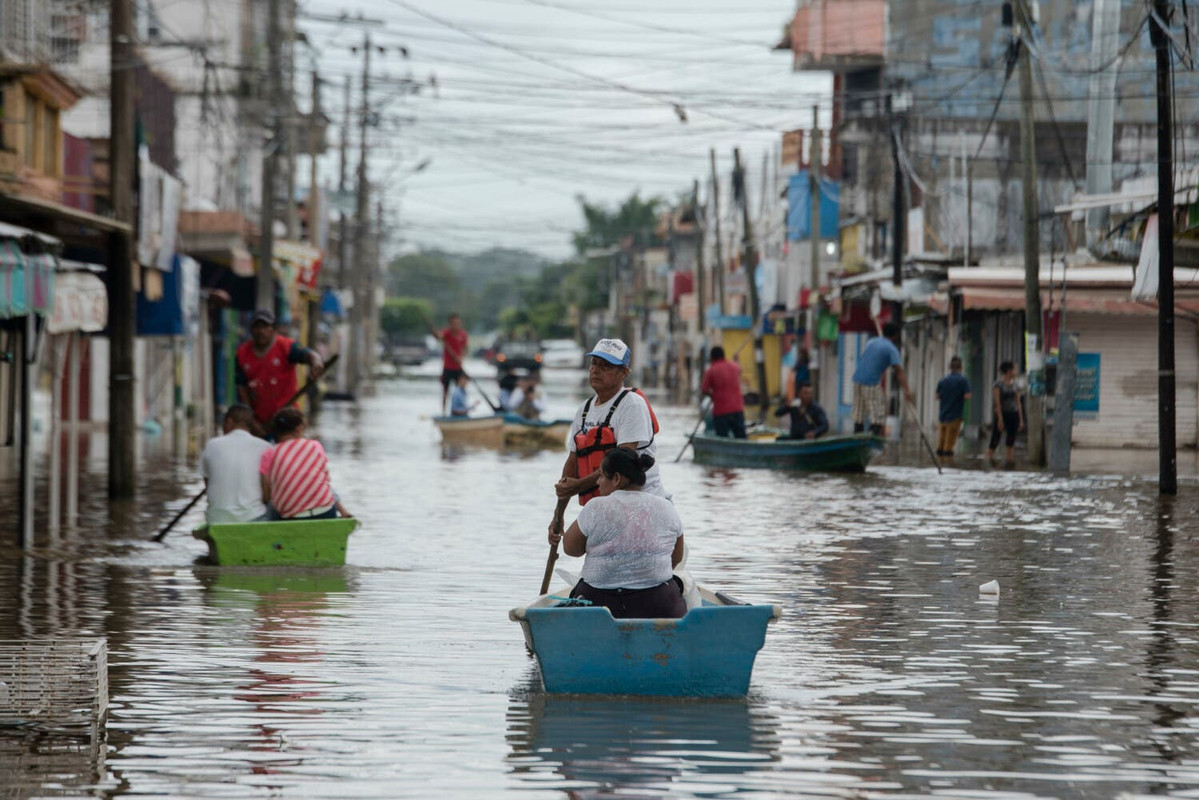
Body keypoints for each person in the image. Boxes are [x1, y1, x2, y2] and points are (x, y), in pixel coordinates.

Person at [549, 338, 665, 542]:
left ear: (624, 373)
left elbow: (622, 465)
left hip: (641, 503)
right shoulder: (584, 410)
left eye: (606, 366)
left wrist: (578, 486)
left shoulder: (632, 406)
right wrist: (558, 515)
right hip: (605, 504)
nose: (596, 370)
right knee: (570, 544)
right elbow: (572, 464)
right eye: (594, 363)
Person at [548, 448, 686, 619]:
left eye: (601, 476)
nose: (598, 482)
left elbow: (571, 549)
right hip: (656, 604)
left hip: (597, 602)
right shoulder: (667, 507)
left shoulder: (595, 506)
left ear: (616, 479)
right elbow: (676, 558)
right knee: (676, 585)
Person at [235, 308, 325, 433]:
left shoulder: (286, 347)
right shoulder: (242, 354)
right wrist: (253, 423)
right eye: (257, 327)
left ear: (273, 329)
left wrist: (316, 362)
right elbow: (242, 390)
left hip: (288, 419)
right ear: (251, 329)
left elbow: (308, 355)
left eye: (265, 327)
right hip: (260, 423)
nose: (261, 331)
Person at [259, 408, 351, 520]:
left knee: (271, 506)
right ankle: (343, 512)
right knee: (322, 485)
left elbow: (266, 495)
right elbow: (326, 479)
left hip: (290, 516)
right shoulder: (315, 446)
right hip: (325, 512)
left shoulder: (269, 453)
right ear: (299, 428)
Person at [200, 404, 273, 523]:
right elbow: (267, 495)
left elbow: (208, 485)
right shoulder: (266, 447)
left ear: (229, 422)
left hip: (217, 518)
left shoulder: (211, 445)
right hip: (252, 517)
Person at [851, 322, 914, 436]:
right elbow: (899, 372)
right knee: (877, 415)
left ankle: (857, 437)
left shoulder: (871, 342)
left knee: (859, 414)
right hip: (870, 382)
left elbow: (870, 360)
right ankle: (871, 441)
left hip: (857, 380)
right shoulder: (891, 349)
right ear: (895, 335)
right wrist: (907, 391)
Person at [699, 345, 746, 439]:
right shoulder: (734, 367)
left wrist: (712, 396)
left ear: (712, 358)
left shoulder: (711, 370)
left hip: (721, 411)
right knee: (741, 438)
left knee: (722, 437)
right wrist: (736, 360)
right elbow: (739, 369)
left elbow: (704, 389)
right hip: (737, 410)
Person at [986, 361, 1024, 464]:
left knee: (1011, 441)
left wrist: (1021, 420)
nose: (1016, 372)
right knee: (995, 439)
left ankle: (1009, 462)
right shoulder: (998, 384)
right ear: (1008, 371)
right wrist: (1000, 419)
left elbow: (1018, 403)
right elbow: (997, 403)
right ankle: (989, 460)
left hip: (1014, 414)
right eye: (1014, 369)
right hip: (1002, 414)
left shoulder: (1015, 385)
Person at [935, 356, 972, 457]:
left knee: (940, 447)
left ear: (950, 367)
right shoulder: (963, 380)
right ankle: (947, 468)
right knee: (948, 449)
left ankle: (939, 465)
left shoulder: (942, 381)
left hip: (942, 417)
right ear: (961, 367)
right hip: (955, 417)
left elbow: (936, 396)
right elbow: (967, 396)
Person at [432, 313, 468, 414]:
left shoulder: (463, 334)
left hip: (458, 367)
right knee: (445, 391)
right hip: (447, 367)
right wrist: (434, 332)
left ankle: (460, 410)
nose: (456, 326)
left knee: (461, 389)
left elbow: (465, 348)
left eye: (457, 323)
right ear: (450, 324)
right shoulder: (446, 333)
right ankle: (443, 412)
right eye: (454, 324)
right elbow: (438, 336)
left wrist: (460, 357)